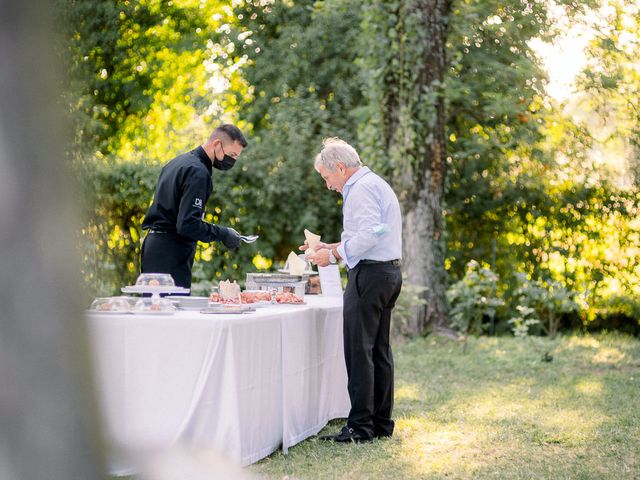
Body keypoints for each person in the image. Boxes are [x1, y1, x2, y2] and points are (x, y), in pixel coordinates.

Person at [304, 137, 403, 442]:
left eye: (327, 177)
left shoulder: (358, 189)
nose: (327, 184)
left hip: (370, 277)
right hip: (388, 273)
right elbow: (373, 232)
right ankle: (380, 423)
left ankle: (360, 427)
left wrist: (332, 256)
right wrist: (330, 246)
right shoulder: (375, 184)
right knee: (379, 352)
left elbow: (370, 235)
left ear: (342, 168)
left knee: (359, 352)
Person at [140, 124, 248, 289]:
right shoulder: (198, 172)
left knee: (153, 309)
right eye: (232, 154)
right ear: (217, 144)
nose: (232, 161)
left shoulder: (176, 162)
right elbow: (187, 225)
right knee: (173, 311)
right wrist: (223, 234)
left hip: (153, 248)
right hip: (170, 253)